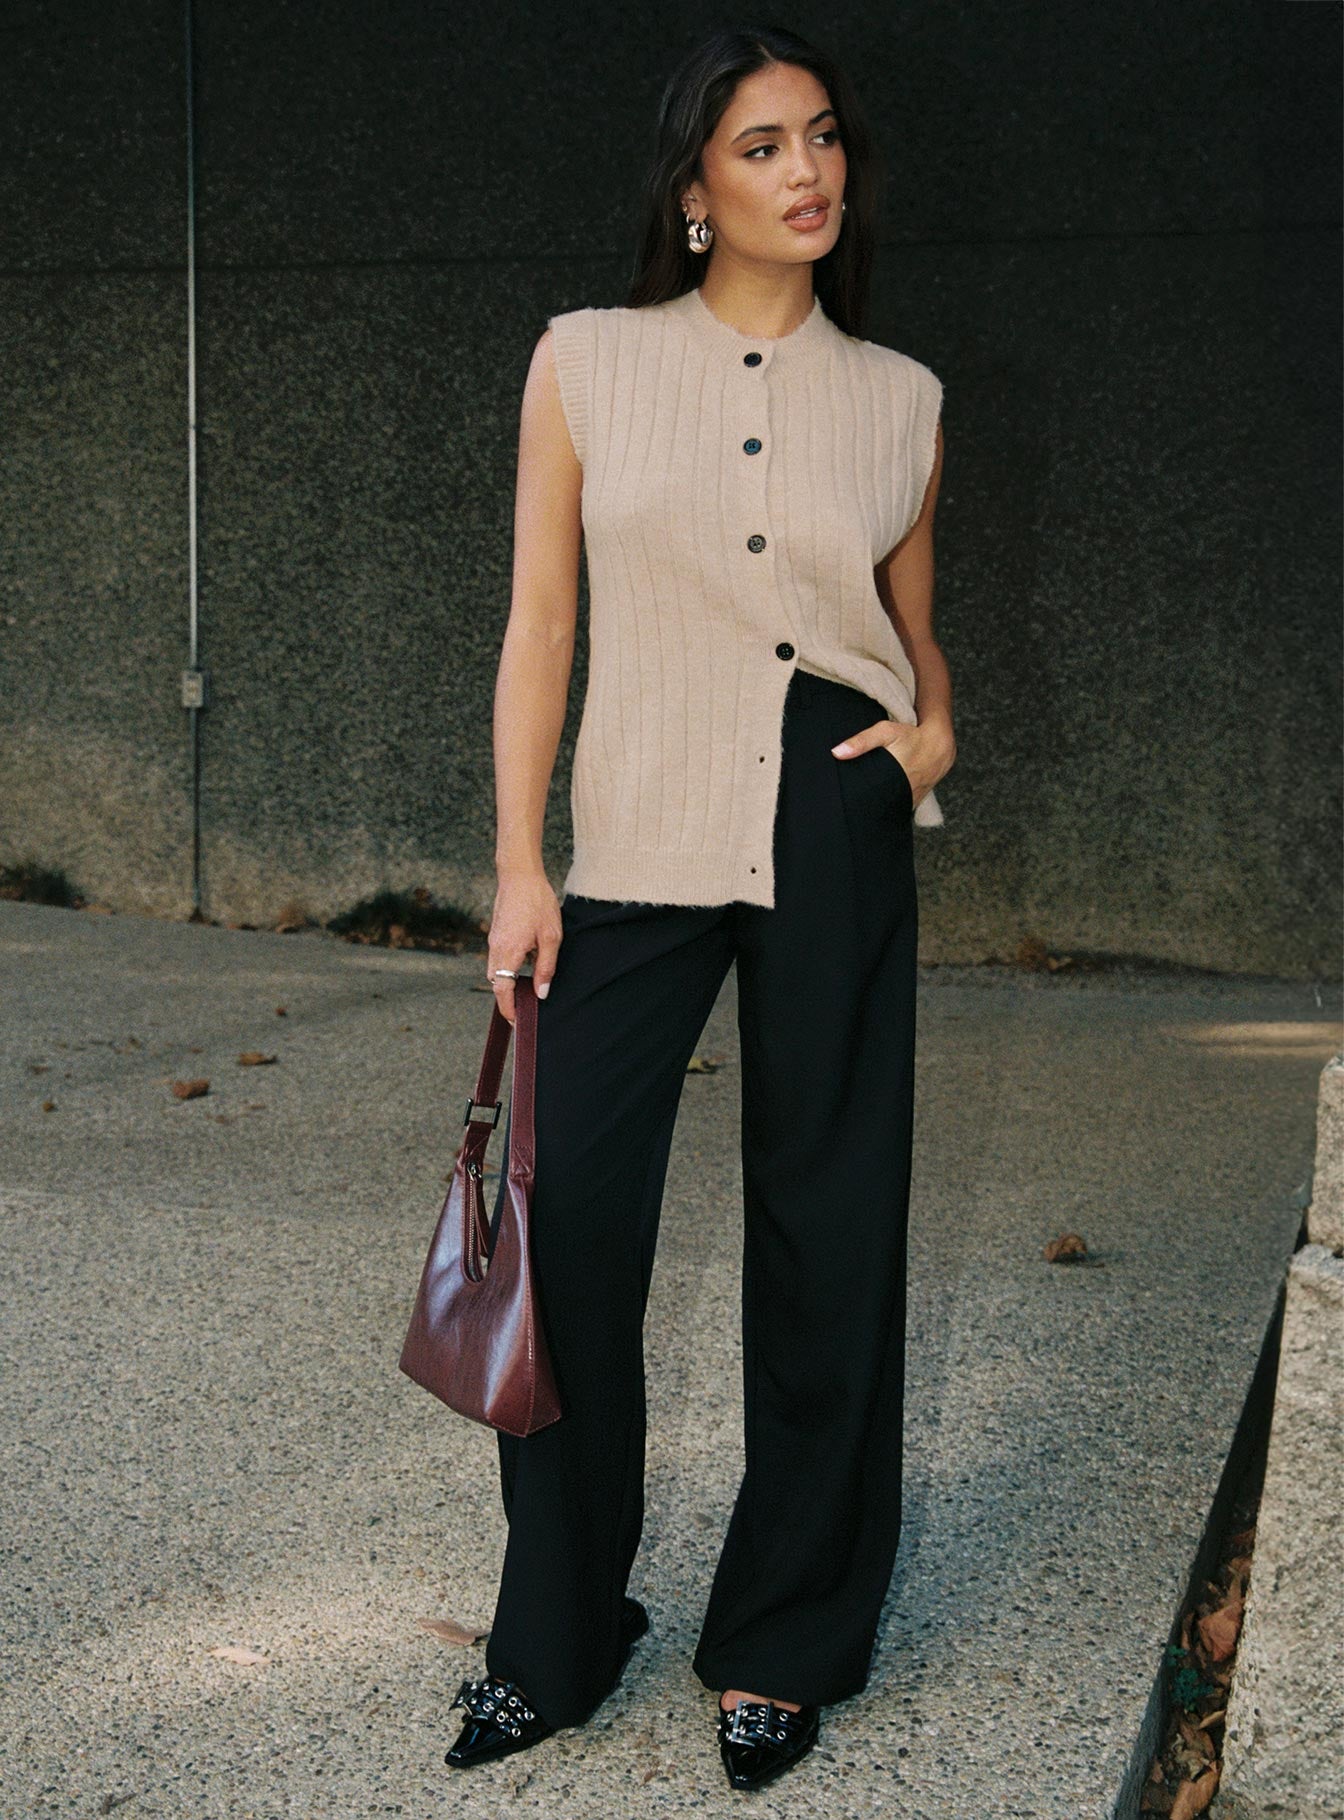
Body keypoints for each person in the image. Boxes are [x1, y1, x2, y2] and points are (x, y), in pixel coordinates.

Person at [444, 22, 954, 1795]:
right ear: (689, 190)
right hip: (639, 827)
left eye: (820, 140)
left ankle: (788, 1637)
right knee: (570, 1229)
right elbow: (541, 625)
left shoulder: (901, 400)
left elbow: (913, 626)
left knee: (829, 1227)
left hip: (831, 813)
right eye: (760, 147)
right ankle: (563, 1632)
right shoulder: (584, 362)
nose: (805, 172)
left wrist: (929, 737)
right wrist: (522, 864)